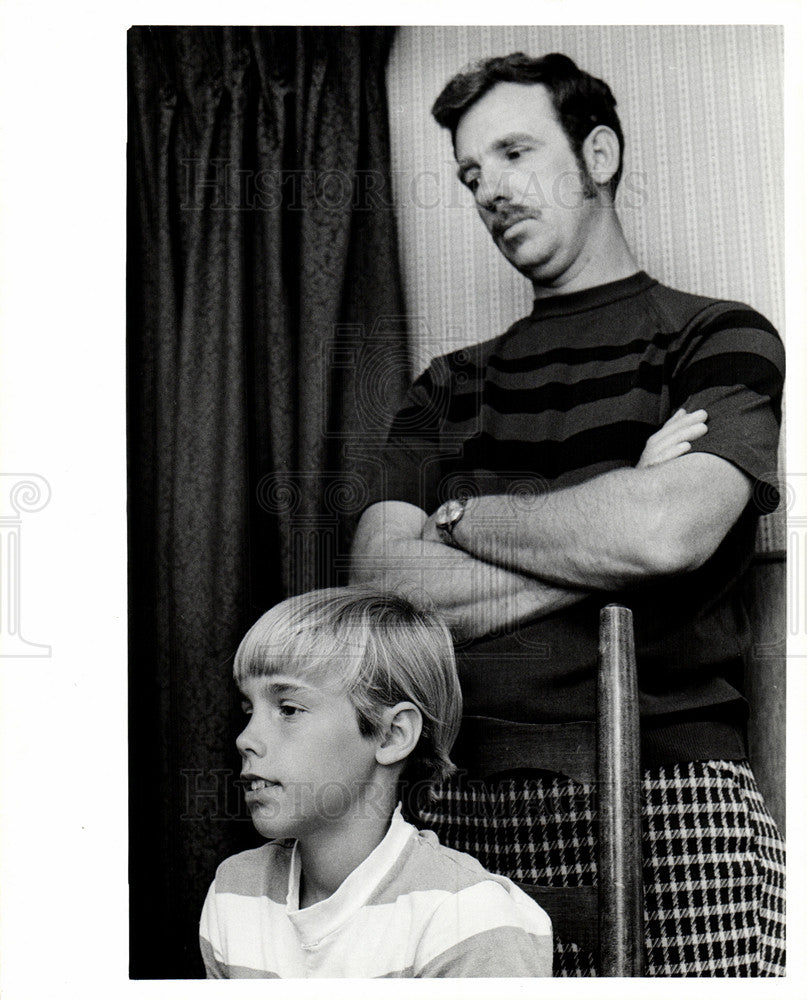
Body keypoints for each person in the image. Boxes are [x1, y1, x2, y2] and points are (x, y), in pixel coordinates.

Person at [350, 52, 785, 976]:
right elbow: (384, 584)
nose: (489, 190)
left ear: (597, 152)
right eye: (471, 174)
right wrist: (609, 520)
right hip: (454, 804)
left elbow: (665, 530)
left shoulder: (718, 336)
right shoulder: (447, 385)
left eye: (513, 152)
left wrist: (457, 519)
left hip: (670, 799)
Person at [199, 587, 552, 978]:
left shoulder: (464, 916)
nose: (245, 738)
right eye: (250, 709)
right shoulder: (235, 892)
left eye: (288, 709)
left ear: (391, 735)